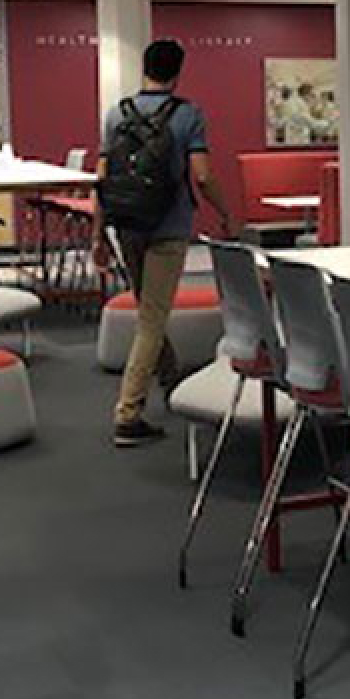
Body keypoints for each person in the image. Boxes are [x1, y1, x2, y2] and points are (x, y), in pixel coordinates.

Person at [96, 39, 235, 448]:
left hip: (125, 225)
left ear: (145, 68)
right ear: (178, 72)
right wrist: (226, 213)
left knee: (148, 308)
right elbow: (204, 175)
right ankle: (127, 413)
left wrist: (97, 235)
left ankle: (171, 376)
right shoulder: (187, 116)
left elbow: (101, 179)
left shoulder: (115, 114)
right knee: (152, 319)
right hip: (168, 228)